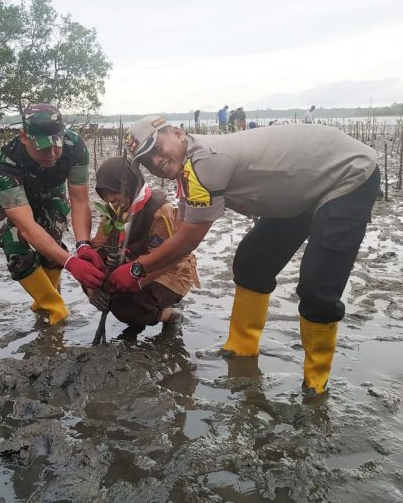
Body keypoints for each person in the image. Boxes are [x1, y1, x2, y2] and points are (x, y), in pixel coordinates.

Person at [110, 116, 380, 396]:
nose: (155, 161)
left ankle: (316, 381)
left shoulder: (205, 162)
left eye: (156, 149)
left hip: (347, 175)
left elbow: (188, 241)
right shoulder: (187, 173)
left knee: (317, 288)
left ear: (178, 133)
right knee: (251, 263)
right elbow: (179, 239)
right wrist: (139, 276)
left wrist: (136, 271)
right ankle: (241, 349)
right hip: (300, 188)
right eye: (146, 160)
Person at [0, 103, 105, 325]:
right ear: (24, 136)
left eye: (56, 146)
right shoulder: (6, 162)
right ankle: (54, 306)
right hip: (15, 201)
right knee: (16, 249)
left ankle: (44, 299)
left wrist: (83, 245)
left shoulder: (74, 146)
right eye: (42, 147)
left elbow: (79, 200)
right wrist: (72, 263)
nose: (51, 154)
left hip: (51, 193)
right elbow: (27, 228)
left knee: (52, 245)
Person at [89, 156, 198, 327]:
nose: (110, 198)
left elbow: (164, 258)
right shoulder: (112, 211)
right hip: (132, 267)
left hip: (167, 271)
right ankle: (145, 308)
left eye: (114, 191)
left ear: (132, 184)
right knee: (92, 278)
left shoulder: (158, 209)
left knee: (126, 307)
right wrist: (92, 290)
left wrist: (128, 268)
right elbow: (97, 246)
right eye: (104, 194)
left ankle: (169, 315)